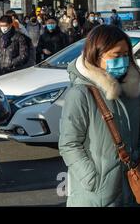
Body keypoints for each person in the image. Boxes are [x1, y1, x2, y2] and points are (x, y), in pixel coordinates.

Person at [59, 25, 140, 207]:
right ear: (97, 56)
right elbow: (69, 144)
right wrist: (91, 179)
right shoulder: (80, 94)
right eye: (116, 55)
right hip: (94, 196)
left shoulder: (133, 91)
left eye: (126, 54)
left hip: (132, 188)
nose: (123, 60)